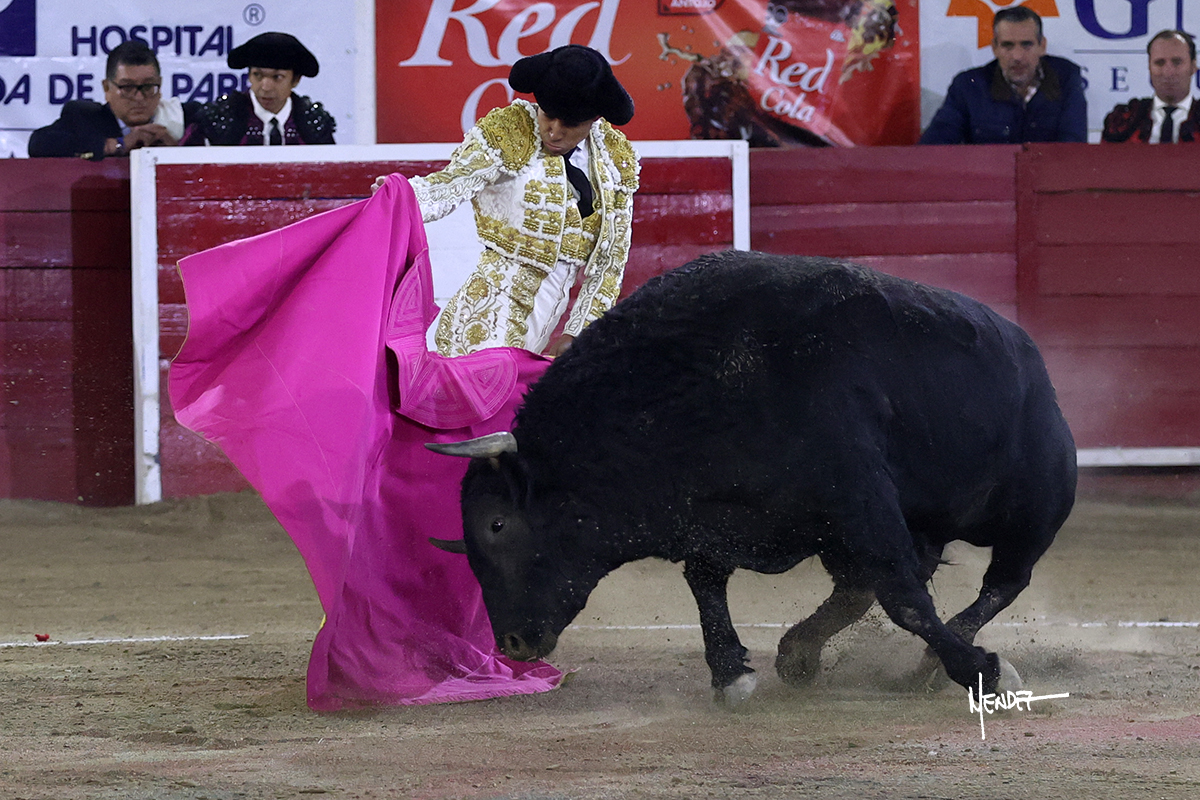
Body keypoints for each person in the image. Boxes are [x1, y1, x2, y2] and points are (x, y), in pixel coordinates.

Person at [374, 44, 640, 358]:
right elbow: (451, 184)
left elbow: (610, 261)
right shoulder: (510, 130)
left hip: (546, 315)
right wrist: (400, 196)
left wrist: (581, 332)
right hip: (488, 309)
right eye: (547, 115)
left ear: (594, 119)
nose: (554, 132)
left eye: (569, 124)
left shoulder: (613, 158)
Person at [920, 7, 1086, 144]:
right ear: (994, 48)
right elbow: (934, 147)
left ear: (1042, 46)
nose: (1017, 56)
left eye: (1026, 45)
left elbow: (1073, 147)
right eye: (1008, 45)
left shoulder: (1066, 78)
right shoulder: (969, 86)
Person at [28, 40, 200, 160]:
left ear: (160, 86)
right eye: (127, 87)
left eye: (148, 86)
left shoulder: (184, 118)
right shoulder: (84, 117)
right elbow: (38, 144)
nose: (139, 97)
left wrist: (178, 153)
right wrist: (117, 145)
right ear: (107, 88)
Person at [181, 32, 335, 146]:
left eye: (277, 77)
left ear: (295, 80)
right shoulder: (220, 119)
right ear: (249, 76)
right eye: (257, 75)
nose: (265, 87)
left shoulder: (312, 124)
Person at [1102, 30, 1199, 143]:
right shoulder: (1122, 121)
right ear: (1149, 67)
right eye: (1159, 63)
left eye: (1177, 62)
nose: (1168, 72)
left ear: (1193, 66)